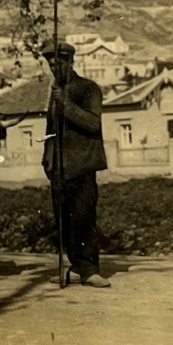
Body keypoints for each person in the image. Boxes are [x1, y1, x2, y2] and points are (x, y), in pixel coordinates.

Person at [42, 42, 111, 288]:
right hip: (59, 168)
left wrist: (66, 106)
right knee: (64, 220)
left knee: (83, 216)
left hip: (82, 165)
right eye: (51, 64)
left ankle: (90, 269)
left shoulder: (88, 89)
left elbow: (93, 123)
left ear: (71, 62)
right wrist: (46, 157)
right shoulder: (54, 92)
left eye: (59, 63)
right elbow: (51, 130)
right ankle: (74, 266)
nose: (55, 68)